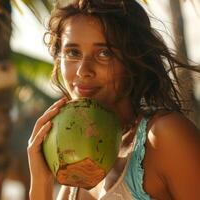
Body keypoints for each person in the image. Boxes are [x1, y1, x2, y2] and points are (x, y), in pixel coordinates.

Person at [27, 0, 200, 199]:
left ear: (133, 60)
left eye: (104, 53)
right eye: (73, 53)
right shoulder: (74, 174)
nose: (83, 71)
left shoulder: (164, 136)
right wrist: (41, 182)